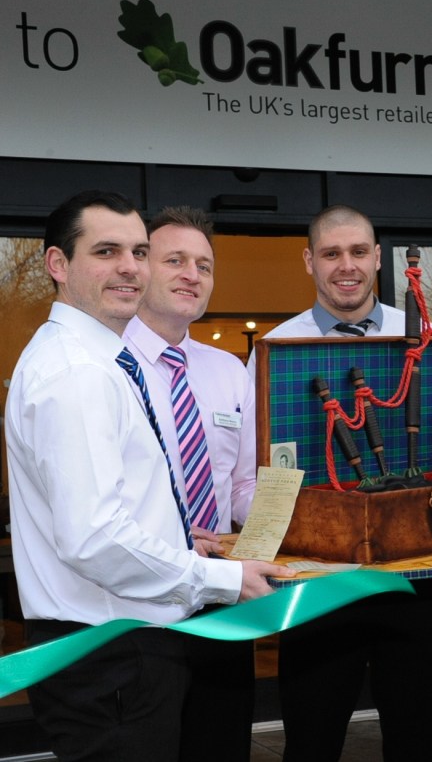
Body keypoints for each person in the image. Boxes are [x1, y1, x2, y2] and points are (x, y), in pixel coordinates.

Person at [4, 190, 292, 762]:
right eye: (107, 251)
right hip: (110, 654)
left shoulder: (98, 358)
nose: (130, 267)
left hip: (120, 648)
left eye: (137, 251)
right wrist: (222, 580)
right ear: (57, 266)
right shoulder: (79, 373)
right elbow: (96, 537)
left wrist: (186, 543)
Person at [255, 204, 432, 761]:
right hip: (321, 585)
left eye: (357, 252)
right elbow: (257, 474)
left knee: (419, 743)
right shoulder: (276, 351)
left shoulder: (423, 339)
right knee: (311, 742)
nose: (345, 266)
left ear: (377, 257)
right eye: (330, 254)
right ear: (309, 261)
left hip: (416, 582)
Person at [123, 206, 257, 762]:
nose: (191, 274)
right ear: (140, 268)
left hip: (223, 602)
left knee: (222, 745)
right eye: (174, 259)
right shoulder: (110, 364)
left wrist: (308, 523)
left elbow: (245, 483)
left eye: (203, 264)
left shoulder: (228, 369)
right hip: (140, 606)